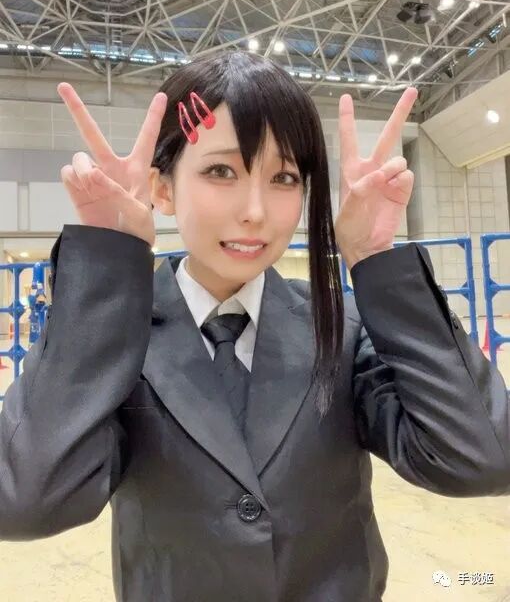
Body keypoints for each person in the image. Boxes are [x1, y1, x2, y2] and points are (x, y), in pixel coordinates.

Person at [0, 50, 508, 602]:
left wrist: (375, 259)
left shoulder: (341, 329)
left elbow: (481, 458)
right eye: (221, 171)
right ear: (162, 189)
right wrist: (106, 263)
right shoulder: (120, 339)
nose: (256, 211)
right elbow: (25, 499)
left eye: (284, 177)